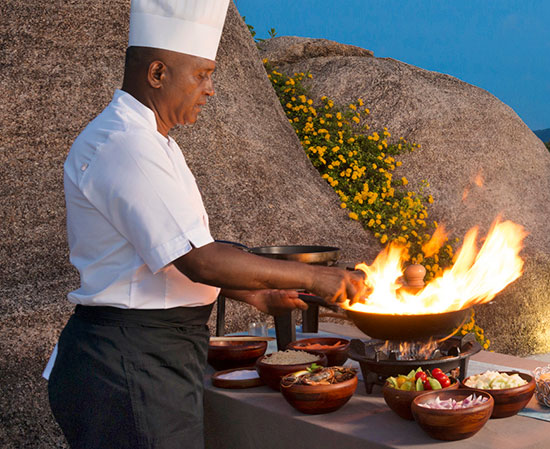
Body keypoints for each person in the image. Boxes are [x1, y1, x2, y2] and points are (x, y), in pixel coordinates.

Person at [48, 1, 366, 447]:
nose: (211, 89)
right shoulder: (125, 146)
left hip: (152, 356)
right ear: (157, 74)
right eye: (201, 74)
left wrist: (257, 292)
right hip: (130, 361)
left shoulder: (155, 144)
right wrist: (316, 275)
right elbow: (202, 261)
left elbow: (170, 252)